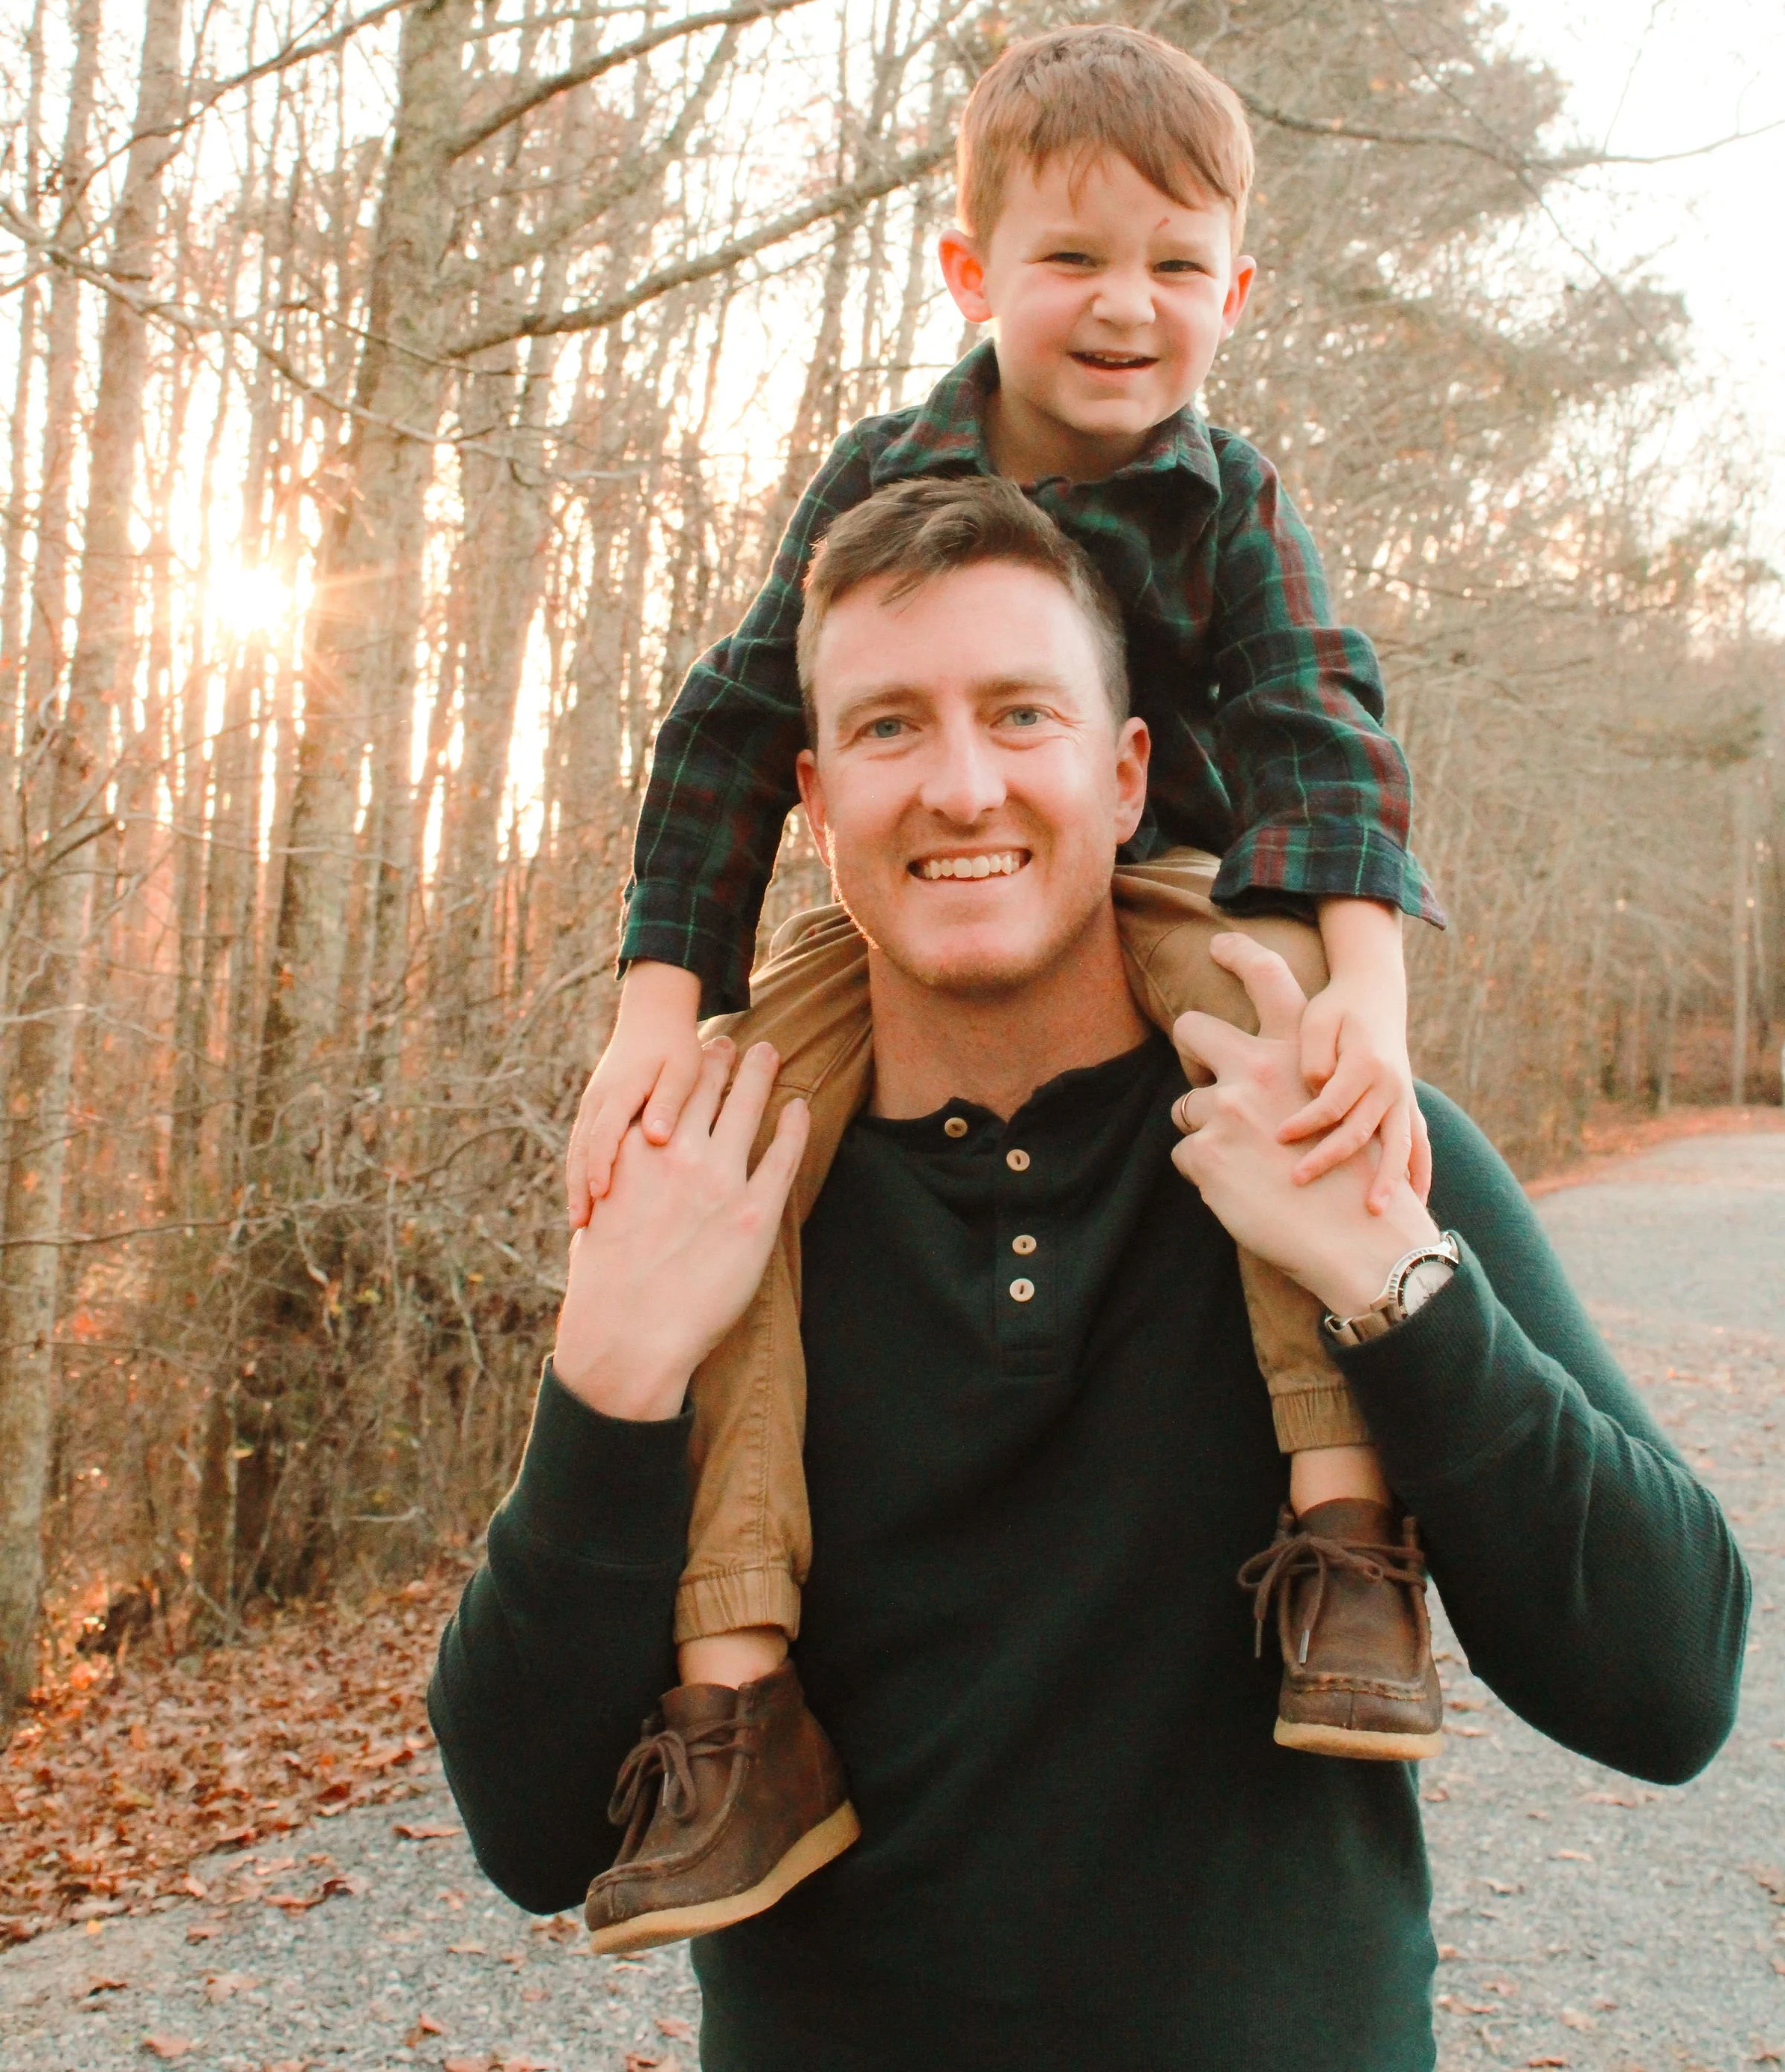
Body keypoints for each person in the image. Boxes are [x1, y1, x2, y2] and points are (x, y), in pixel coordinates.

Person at [430, 486, 1746, 2071]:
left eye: (1023, 714)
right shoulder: (717, 1194)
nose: (961, 786)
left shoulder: (1332, 1133)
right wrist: (612, 1376)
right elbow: (529, 1834)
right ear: (816, 801)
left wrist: (1388, 1277)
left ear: (1127, 777)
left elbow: (1670, 1689)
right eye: (891, 727)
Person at [563, 27, 1458, 1936]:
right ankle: (739, 1701)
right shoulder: (885, 473)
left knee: (1280, 1039)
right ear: (973, 272)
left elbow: (1319, 731)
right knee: (727, 1141)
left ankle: (1346, 1536)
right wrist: (656, 1013)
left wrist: (1366, 1007)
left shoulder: (1231, 497)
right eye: (1072, 257)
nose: (1126, 306)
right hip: (915, 921)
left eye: (1176, 264)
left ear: (1237, 291)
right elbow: (731, 731)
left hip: (1181, 892)